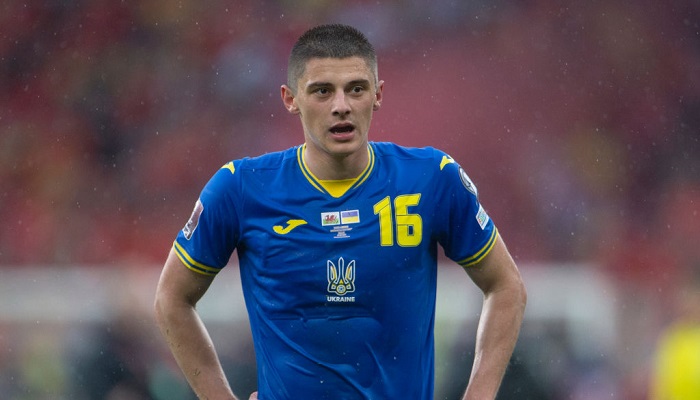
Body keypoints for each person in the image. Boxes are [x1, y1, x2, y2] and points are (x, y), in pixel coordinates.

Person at [154, 23, 527, 400]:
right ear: (290, 99)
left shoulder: (431, 178)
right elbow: (171, 298)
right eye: (322, 91)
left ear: (378, 95)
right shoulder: (240, 188)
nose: (341, 106)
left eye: (356, 89)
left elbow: (506, 285)